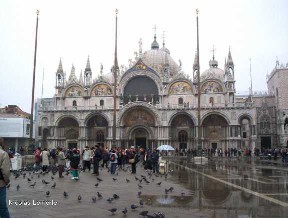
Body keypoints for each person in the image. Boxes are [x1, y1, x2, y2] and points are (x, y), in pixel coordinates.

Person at [0, 144, 11, 218]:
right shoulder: (3, 153)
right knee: (2, 207)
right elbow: (5, 172)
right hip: (0, 184)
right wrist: (6, 181)